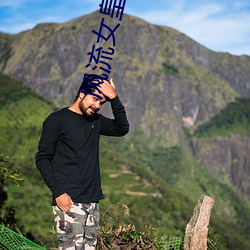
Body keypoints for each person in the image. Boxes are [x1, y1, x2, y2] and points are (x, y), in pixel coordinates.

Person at [35, 74, 129, 250]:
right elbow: (42, 158)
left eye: (102, 102)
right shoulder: (57, 120)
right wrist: (58, 192)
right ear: (81, 93)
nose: (97, 106)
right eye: (94, 99)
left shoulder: (96, 121)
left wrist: (114, 98)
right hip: (69, 202)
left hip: (92, 202)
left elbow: (121, 128)